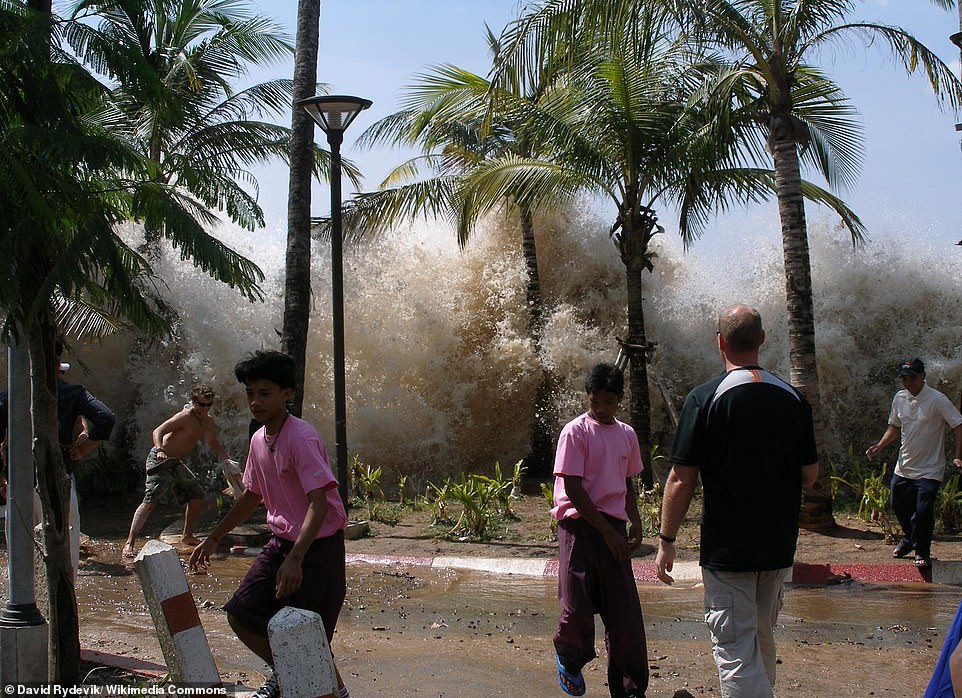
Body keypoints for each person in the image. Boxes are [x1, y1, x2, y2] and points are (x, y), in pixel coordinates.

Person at [656, 304, 818, 698]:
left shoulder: (705, 398)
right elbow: (810, 475)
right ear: (762, 340)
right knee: (761, 638)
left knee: (734, 648)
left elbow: (681, 478)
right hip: (777, 547)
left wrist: (666, 540)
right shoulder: (793, 399)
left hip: (729, 549)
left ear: (720, 343)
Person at [188, 350, 350, 698]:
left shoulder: (301, 438)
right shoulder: (259, 439)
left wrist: (296, 559)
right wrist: (214, 537)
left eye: (264, 393)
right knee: (241, 613)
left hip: (316, 548)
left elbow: (319, 505)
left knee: (308, 636)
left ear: (287, 394)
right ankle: (285, 673)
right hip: (281, 544)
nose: (255, 402)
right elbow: (251, 496)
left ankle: (335, 692)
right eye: (250, 393)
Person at [550, 362, 648, 698]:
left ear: (619, 399)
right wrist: (607, 533)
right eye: (595, 400)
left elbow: (627, 483)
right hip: (579, 526)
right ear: (588, 397)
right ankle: (570, 659)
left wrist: (634, 521)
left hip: (615, 527)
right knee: (575, 606)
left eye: (608, 401)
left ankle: (630, 688)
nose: (601, 407)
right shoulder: (574, 432)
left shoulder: (626, 434)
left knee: (624, 616)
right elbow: (574, 489)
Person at [1, 356, 116, 576]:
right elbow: (105, 418)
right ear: (56, 369)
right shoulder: (73, 394)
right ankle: (64, 593)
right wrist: (83, 449)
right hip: (58, 474)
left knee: (22, 541)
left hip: (20, 477)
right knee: (65, 536)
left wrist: (2, 480)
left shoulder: (11, 396)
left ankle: (24, 597)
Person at [866, 357, 962, 570]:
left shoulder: (938, 400)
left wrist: (958, 455)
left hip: (930, 468)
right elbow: (894, 426)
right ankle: (910, 539)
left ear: (923, 376)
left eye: (912, 378)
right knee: (897, 504)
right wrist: (880, 445)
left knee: (923, 511)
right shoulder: (900, 398)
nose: (908, 383)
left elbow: (958, 424)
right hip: (905, 466)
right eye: (904, 379)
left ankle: (922, 551)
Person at [122, 384, 234, 558]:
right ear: (194, 402)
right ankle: (129, 543)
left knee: (196, 496)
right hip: (160, 459)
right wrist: (159, 449)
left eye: (208, 405)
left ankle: (187, 535)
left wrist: (227, 458)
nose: (205, 409)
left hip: (175, 463)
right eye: (201, 404)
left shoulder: (207, 421)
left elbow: (212, 441)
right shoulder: (184, 416)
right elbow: (158, 430)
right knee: (150, 501)